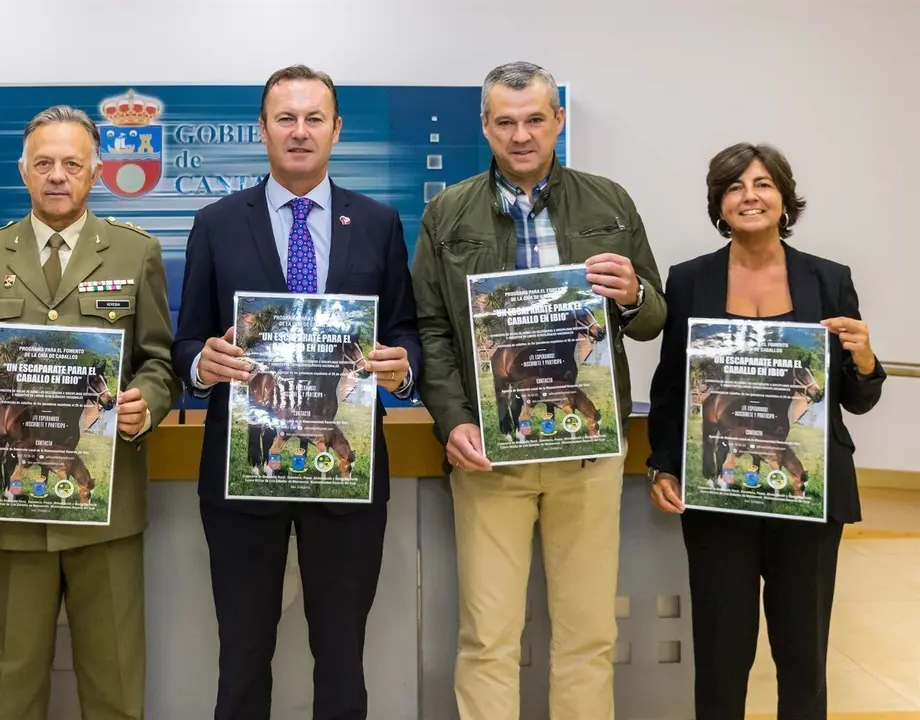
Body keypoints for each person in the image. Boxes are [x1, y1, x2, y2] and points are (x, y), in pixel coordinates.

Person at [410, 61, 666, 719]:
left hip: (588, 451)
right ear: (485, 127)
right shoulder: (447, 212)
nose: (521, 135)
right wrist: (453, 421)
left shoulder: (609, 201)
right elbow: (432, 330)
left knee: (588, 633)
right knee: (488, 637)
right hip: (491, 455)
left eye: (534, 119)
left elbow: (654, 316)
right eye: (505, 121)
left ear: (558, 120)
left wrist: (634, 293)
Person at [172, 65, 422, 720]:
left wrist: (402, 367)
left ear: (337, 129)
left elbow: (405, 331)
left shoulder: (377, 223)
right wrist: (204, 364)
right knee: (243, 657)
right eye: (286, 118)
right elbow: (184, 344)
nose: (300, 131)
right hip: (243, 472)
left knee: (342, 658)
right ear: (263, 129)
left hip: (345, 470)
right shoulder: (217, 223)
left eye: (315, 118)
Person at [0, 105, 179, 720]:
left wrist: (144, 404)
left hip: (105, 506)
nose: (57, 176)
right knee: (14, 682)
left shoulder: (136, 254)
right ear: (23, 171)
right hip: (14, 504)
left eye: (71, 164)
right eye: (44, 163)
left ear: (96, 172)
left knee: (115, 683)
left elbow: (160, 362)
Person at [646, 142, 886, 719]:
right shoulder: (688, 281)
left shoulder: (828, 280)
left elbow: (856, 401)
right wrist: (663, 462)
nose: (748, 196)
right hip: (718, 492)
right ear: (719, 203)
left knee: (803, 656)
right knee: (721, 654)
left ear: (784, 198)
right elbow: (671, 384)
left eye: (762, 184)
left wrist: (865, 359)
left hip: (806, 496)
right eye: (734, 187)